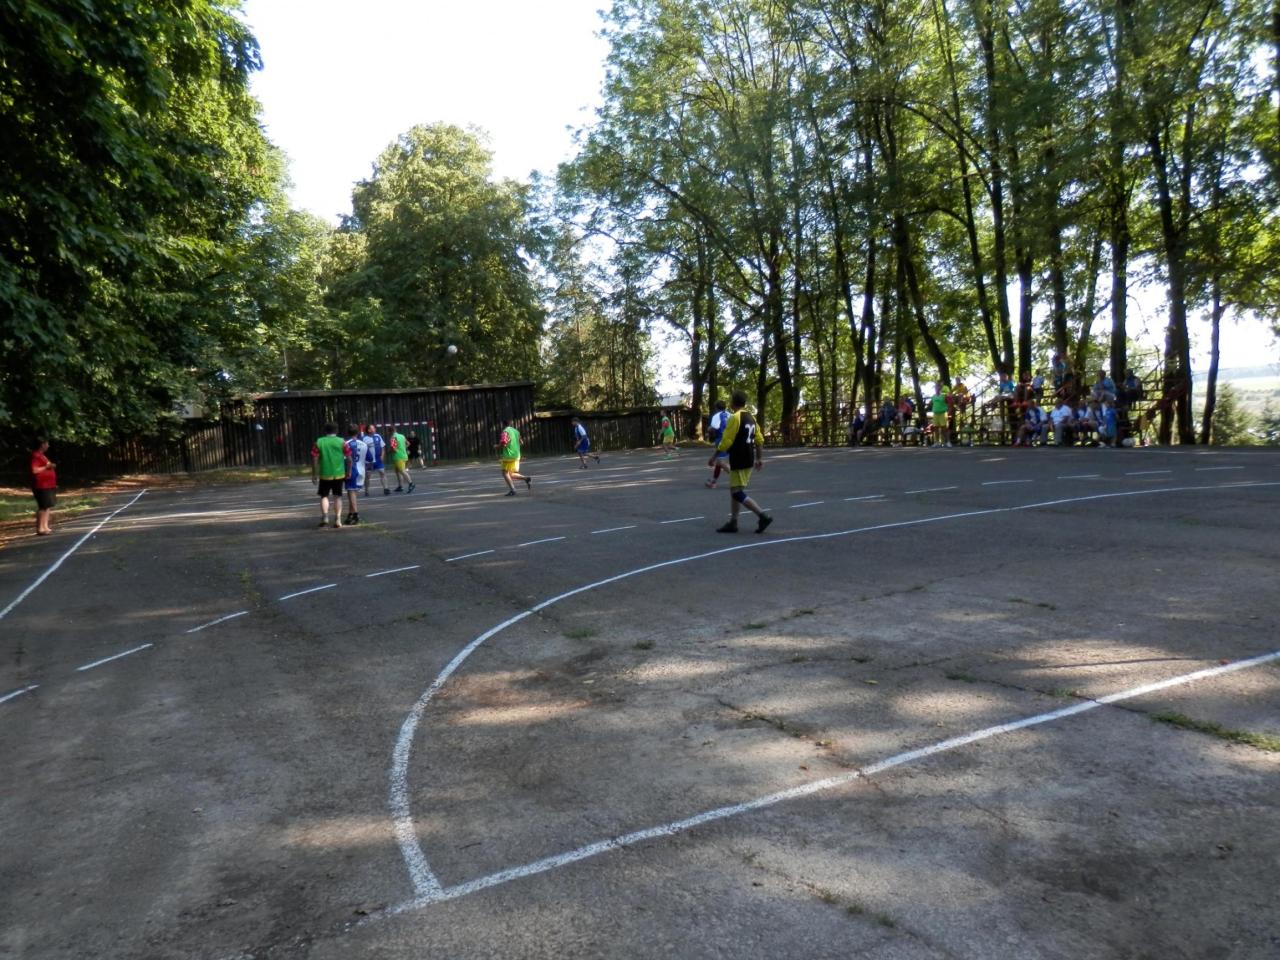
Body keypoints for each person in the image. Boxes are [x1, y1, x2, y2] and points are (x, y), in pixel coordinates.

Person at [708, 390, 772, 534]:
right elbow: (759, 440)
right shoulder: (751, 417)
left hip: (739, 458)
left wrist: (714, 457)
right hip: (748, 458)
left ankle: (762, 515)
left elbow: (726, 441)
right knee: (735, 489)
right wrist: (759, 458)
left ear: (732, 403)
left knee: (736, 492)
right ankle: (733, 522)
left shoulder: (735, 418)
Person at [311, 423, 351, 528]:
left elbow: (314, 458)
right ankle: (338, 519)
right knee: (337, 496)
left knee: (324, 496)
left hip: (325, 473)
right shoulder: (342, 442)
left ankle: (325, 517)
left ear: (325, 431)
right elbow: (349, 458)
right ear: (336, 431)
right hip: (339, 474)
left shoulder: (319, 442)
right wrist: (348, 471)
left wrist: (314, 474)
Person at [496, 418, 531, 496]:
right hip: (517, 455)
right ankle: (526, 478)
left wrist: (497, 446)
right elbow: (521, 442)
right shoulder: (516, 431)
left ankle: (513, 490)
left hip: (508, 455)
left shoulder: (505, 431)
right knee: (511, 474)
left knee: (504, 472)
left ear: (503, 424)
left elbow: (503, 442)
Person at [342, 425, 368, 525]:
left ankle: (356, 514)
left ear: (348, 433)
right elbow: (370, 458)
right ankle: (350, 514)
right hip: (361, 470)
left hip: (351, 470)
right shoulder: (364, 444)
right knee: (352, 493)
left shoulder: (346, 444)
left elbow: (344, 459)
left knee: (351, 492)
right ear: (357, 433)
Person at [30, 437, 57, 536]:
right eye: (47, 443)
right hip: (41, 485)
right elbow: (34, 470)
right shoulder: (36, 455)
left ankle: (45, 526)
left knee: (47, 506)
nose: (48, 446)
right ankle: (40, 528)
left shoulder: (42, 456)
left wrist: (50, 466)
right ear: (42, 444)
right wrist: (46, 467)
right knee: (43, 506)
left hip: (48, 484)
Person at [706, 400, 730, 486]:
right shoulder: (730, 414)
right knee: (719, 461)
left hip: (721, 439)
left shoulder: (716, 416)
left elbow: (714, 428)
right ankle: (713, 480)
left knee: (720, 461)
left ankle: (736, 478)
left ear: (716, 408)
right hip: (731, 439)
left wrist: (709, 429)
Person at [363, 424, 390, 496]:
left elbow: (383, 447)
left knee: (382, 473)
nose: (374, 429)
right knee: (368, 476)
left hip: (378, 460)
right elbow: (363, 450)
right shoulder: (364, 439)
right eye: (373, 428)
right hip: (369, 462)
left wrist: (382, 456)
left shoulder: (378, 436)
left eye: (374, 428)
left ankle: (386, 488)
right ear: (369, 430)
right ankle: (366, 490)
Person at [388, 426, 415, 493]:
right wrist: (403, 448)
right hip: (404, 455)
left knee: (402, 471)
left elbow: (393, 448)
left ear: (390, 432)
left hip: (398, 457)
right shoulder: (402, 436)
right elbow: (408, 443)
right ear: (395, 430)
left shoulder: (393, 437)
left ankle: (411, 484)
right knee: (397, 471)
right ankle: (400, 486)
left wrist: (389, 451)